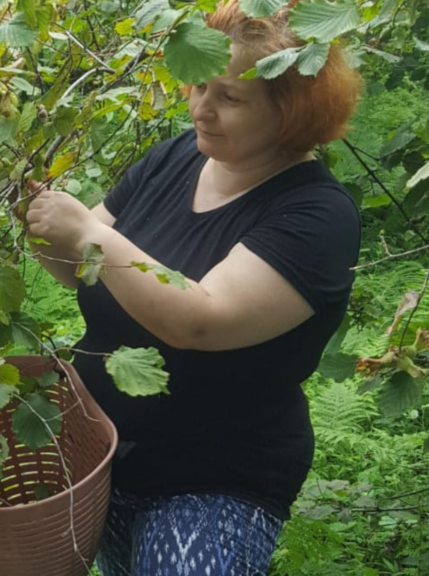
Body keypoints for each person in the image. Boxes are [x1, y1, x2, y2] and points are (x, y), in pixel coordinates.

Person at [26, 1, 362, 575]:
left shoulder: (316, 215)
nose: (202, 109)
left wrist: (86, 230)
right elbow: (82, 267)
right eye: (199, 85)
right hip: (106, 459)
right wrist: (28, 208)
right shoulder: (175, 158)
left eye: (229, 98)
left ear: (293, 112)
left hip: (214, 480)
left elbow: (201, 320)